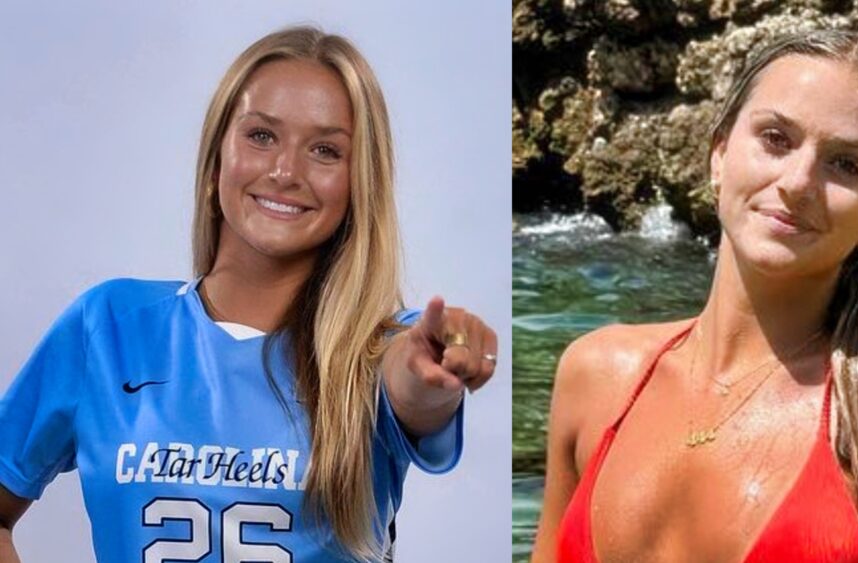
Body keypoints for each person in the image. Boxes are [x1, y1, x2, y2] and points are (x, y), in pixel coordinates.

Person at [0, 26, 497, 562]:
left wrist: (436, 376)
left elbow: (413, 388)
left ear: (360, 183)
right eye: (261, 136)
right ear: (217, 158)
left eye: (326, 151)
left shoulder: (383, 348)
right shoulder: (108, 326)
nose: (285, 171)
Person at [531, 29, 858, 562]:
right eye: (775, 138)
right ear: (719, 155)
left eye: (846, 164)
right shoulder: (596, 376)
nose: (798, 180)